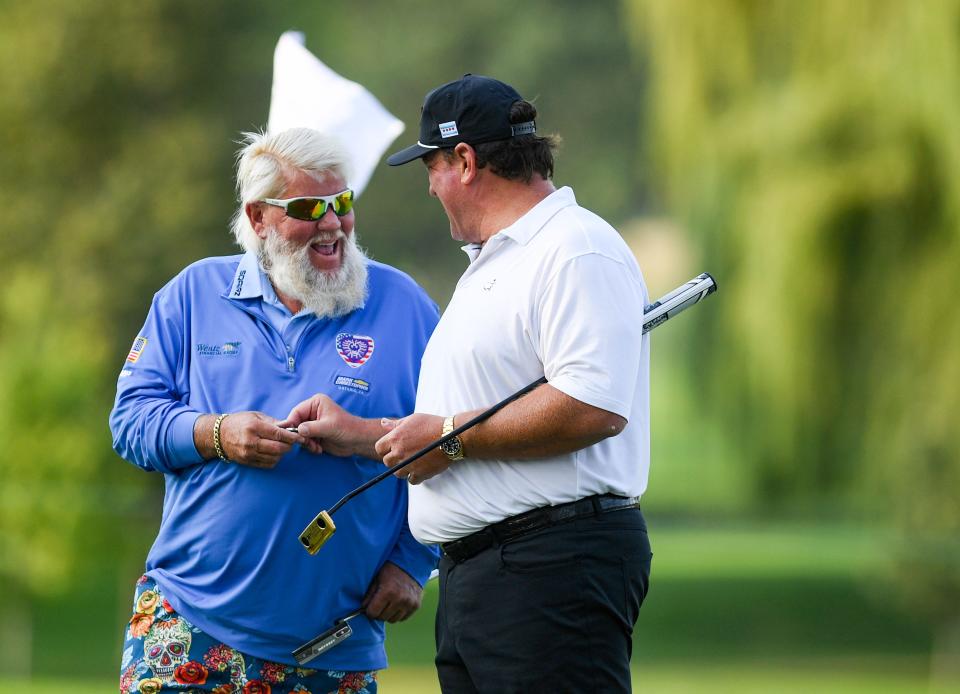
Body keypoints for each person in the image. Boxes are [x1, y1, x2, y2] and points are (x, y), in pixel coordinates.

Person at [109, 127, 439, 694]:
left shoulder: (404, 305)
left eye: (341, 203)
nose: (333, 223)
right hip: (187, 626)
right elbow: (131, 422)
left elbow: (454, 440)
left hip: (334, 644)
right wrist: (215, 434)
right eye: (310, 207)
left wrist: (415, 560)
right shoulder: (192, 294)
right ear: (259, 218)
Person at [380, 74, 653, 692]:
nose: (430, 185)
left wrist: (447, 440)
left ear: (466, 161)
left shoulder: (575, 247)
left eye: (432, 166)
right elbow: (462, 418)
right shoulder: (494, 264)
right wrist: (364, 434)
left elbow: (592, 406)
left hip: (551, 567)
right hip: (488, 576)